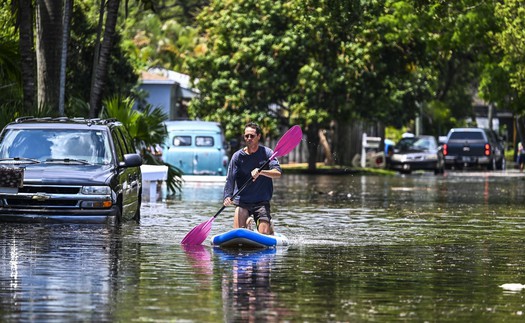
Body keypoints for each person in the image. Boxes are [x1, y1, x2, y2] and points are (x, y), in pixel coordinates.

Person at [223, 122, 282, 235]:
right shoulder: (237, 157)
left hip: (261, 202)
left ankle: (268, 228)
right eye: (246, 136)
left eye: (252, 136)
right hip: (242, 201)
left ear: (258, 136)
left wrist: (261, 171)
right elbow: (230, 179)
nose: (249, 138)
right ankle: (247, 228)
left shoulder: (267, 153)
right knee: (238, 232)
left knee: (264, 234)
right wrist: (227, 196)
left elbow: (278, 173)